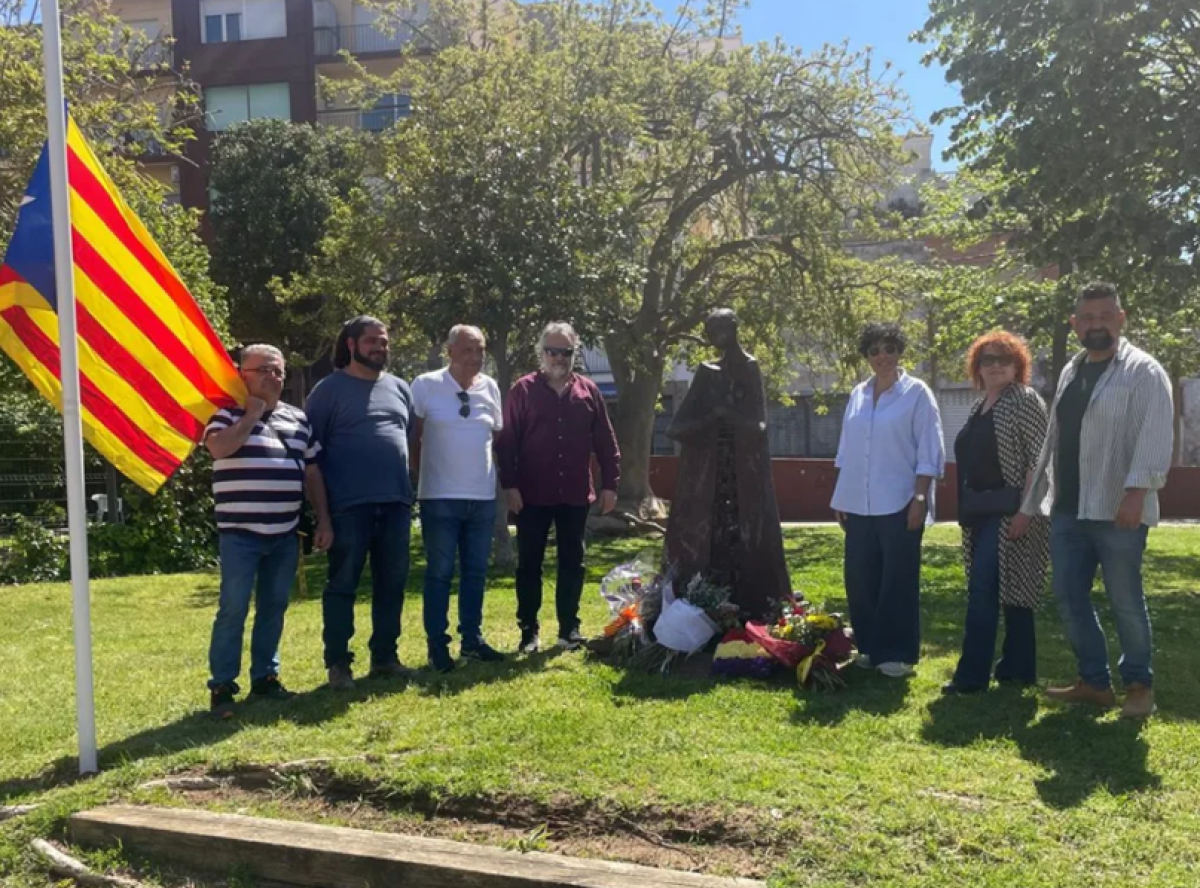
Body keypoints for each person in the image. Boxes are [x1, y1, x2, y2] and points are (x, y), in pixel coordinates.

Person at [1011, 281, 1173, 718]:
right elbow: (1055, 440)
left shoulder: (1144, 372)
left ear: (1120, 319)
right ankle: (1095, 683)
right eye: (1087, 318)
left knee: (1125, 599)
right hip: (1069, 510)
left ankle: (1139, 684)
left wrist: (1136, 494)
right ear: (1074, 324)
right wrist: (1035, 503)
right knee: (1067, 596)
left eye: (1104, 316)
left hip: (1118, 509)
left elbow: (1155, 437)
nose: (1095, 324)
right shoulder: (1071, 371)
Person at [204, 344, 333, 719]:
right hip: (239, 534)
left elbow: (312, 472)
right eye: (263, 370)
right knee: (233, 609)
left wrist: (323, 519)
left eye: (278, 371)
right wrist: (251, 416)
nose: (273, 377)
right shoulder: (225, 414)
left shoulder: (298, 419)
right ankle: (223, 686)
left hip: (285, 532)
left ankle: (265, 678)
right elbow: (218, 449)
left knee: (273, 608)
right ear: (241, 374)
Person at [496, 322, 621, 653]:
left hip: (575, 494)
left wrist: (611, 484)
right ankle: (528, 631)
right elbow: (506, 443)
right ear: (541, 352)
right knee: (529, 565)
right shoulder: (522, 390)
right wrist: (510, 486)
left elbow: (606, 442)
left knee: (573, 562)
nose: (558, 357)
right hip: (531, 494)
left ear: (573, 353)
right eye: (552, 351)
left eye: (565, 352)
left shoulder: (589, 392)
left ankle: (569, 629)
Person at [306, 316, 416, 690]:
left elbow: (408, 440)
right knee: (342, 585)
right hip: (348, 507)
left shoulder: (401, 388)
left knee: (392, 584)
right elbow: (310, 455)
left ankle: (385, 657)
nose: (379, 347)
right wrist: (322, 515)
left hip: (396, 504)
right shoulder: (328, 390)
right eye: (371, 341)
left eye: (383, 341)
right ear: (351, 345)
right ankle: (338, 663)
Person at [831, 322, 945, 678]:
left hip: (900, 501)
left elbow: (929, 449)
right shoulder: (858, 395)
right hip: (858, 502)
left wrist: (920, 496)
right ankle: (868, 646)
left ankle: (896, 653)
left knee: (897, 578)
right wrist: (841, 496)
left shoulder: (917, 393)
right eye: (874, 350)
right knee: (861, 578)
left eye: (889, 349)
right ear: (866, 355)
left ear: (899, 351)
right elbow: (847, 450)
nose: (882, 356)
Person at [663, 308, 792, 620]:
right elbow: (678, 427)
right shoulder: (707, 373)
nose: (716, 336)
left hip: (743, 474)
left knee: (745, 537)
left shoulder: (750, 368)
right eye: (711, 331)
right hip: (710, 475)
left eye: (720, 328)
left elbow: (759, 425)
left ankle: (752, 602)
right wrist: (712, 417)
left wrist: (729, 415)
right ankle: (706, 600)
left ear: (734, 328)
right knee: (711, 538)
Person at [944, 332, 1049, 695]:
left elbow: (1040, 457)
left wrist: (1026, 509)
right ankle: (1018, 670)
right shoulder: (980, 406)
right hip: (982, 510)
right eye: (987, 359)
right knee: (1011, 591)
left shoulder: (1024, 400)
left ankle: (971, 676)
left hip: (1013, 510)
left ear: (1018, 365)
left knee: (986, 590)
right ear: (977, 365)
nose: (995, 366)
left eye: (1004, 359)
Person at [411, 325, 506, 672]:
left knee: (476, 572)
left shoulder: (490, 387)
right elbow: (413, 438)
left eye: (480, 350)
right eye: (468, 350)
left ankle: (472, 641)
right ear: (449, 350)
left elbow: (494, 439)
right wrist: (423, 477)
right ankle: (437, 645)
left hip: (481, 497)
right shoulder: (425, 385)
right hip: (439, 497)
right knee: (439, 572)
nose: (476, 357)